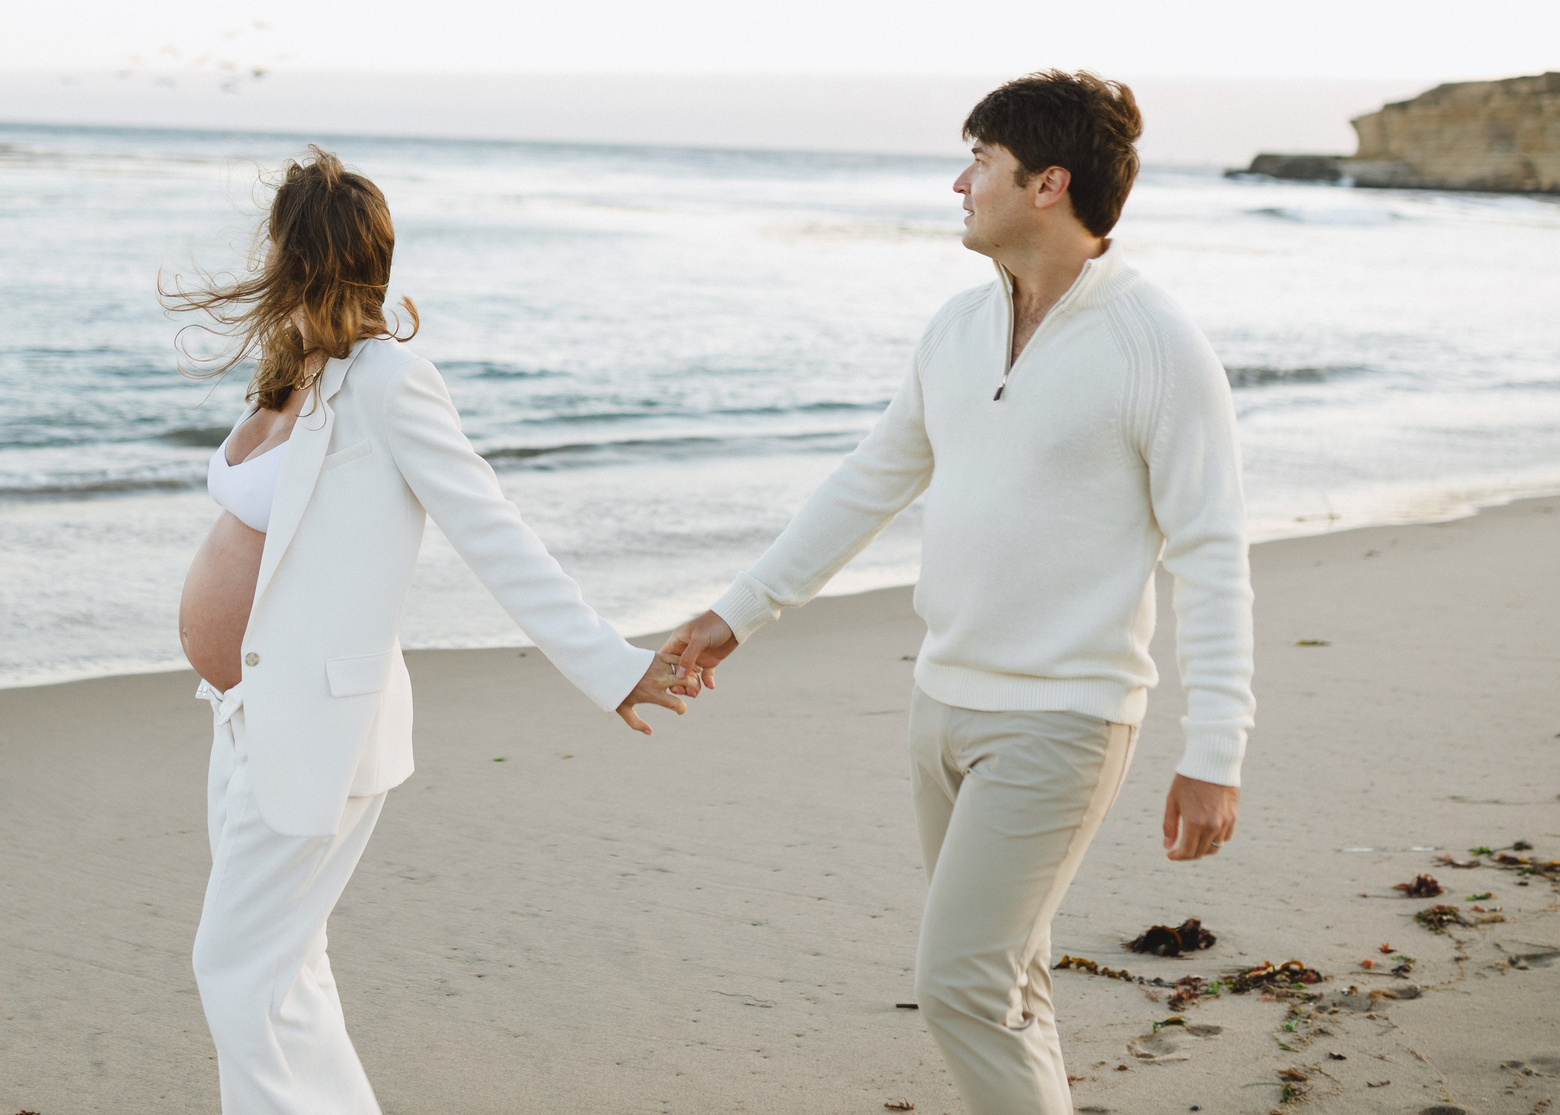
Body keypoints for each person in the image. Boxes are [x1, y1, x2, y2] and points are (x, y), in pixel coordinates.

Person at [660, 70, 1256, 1115]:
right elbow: (868, 482)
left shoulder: (1157, 347)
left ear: (1047, 184)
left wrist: (1215, 751)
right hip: (940, 704)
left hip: (1063, 719)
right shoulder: (955, 326)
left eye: (980, 162)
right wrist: (738, 612)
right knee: (1010, 983)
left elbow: (1211, 553)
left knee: (960, 986)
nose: (958, 184)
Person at [164, 147, 692, 1115]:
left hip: (318, 727)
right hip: (242, 714)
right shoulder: (293, 373)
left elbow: (493, 530)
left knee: (236, 971)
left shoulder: (387, 381)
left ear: (299, 251)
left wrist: (612, 666)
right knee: (284, 969)